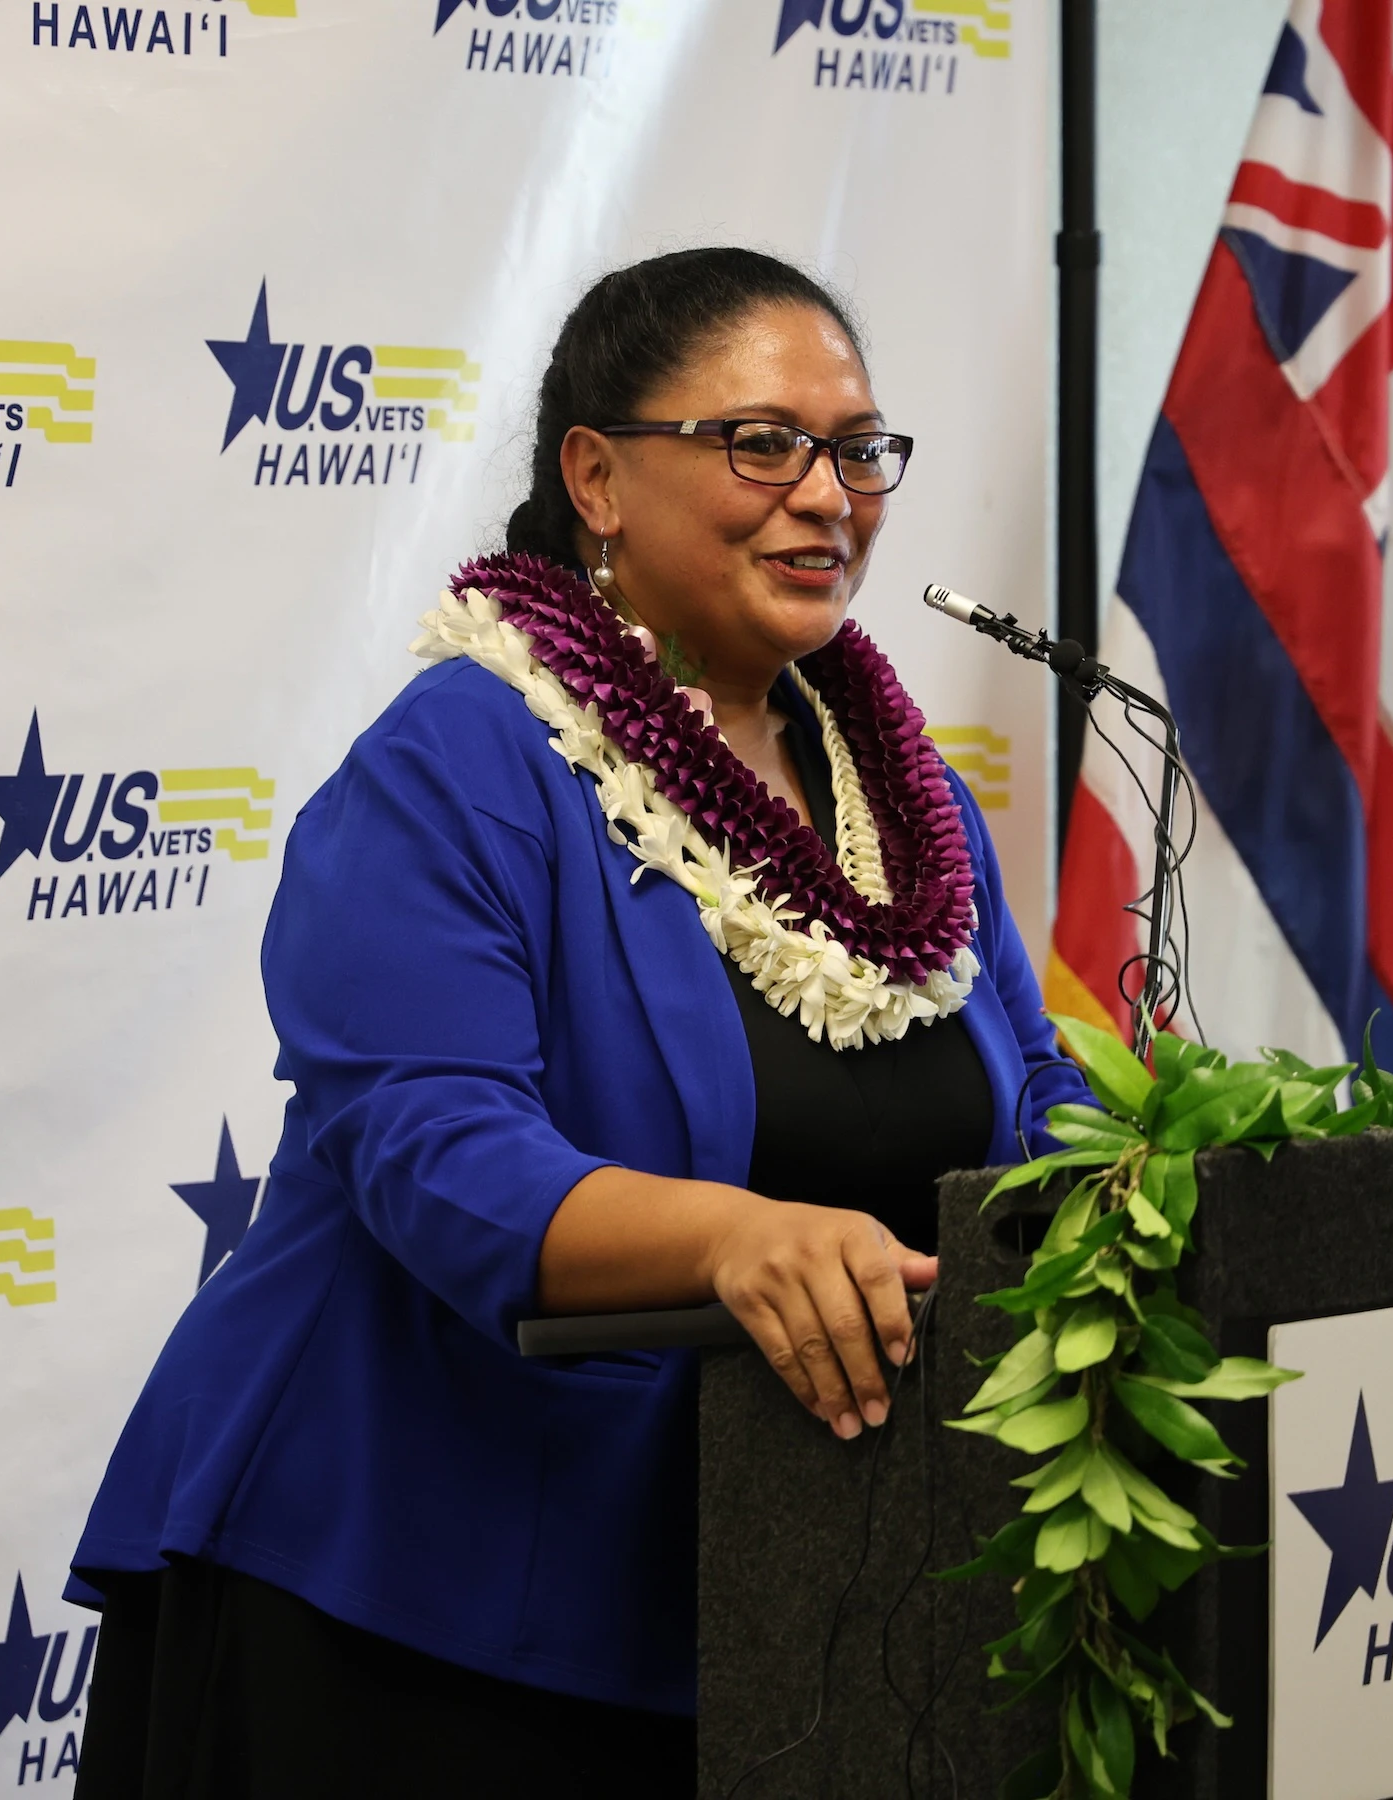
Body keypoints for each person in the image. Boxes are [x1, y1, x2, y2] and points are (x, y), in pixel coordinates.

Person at [67, 246, 1091, 1798]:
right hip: (414, 1607)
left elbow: (1026, 1110)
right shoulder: (458, 764)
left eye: (860, 449)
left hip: (789, 1601)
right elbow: (435, 1150)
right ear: (599, 478)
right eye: (763, 443)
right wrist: (733, 1236)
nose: (830, 494)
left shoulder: (912, 801)